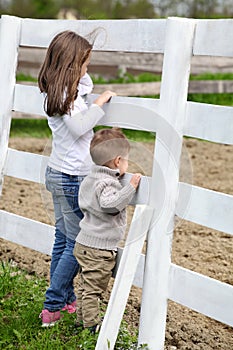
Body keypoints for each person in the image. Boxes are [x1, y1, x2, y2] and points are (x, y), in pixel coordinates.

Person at [38, 30, 116, 327]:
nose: (88, 69)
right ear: (71, 64)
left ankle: (66, 301)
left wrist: (83, 81)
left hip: (60, 173)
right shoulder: (64, 96)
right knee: (75, 243)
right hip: (71, 177)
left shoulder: (60, 90)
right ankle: (53, 305)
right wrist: (100, 104)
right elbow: (80, 127)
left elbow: (83, 89)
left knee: (63, 239)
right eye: (84, 63)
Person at [73, 127, 141, 332]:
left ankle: (80, 322)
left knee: (85, 287)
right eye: (127, 160)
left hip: (84, 242)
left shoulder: (91, 177)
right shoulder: (107, 183)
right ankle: (91, 327)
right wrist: (130, 187)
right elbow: (110, 205)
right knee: (94, 291)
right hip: (98, 249)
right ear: (118, 161)